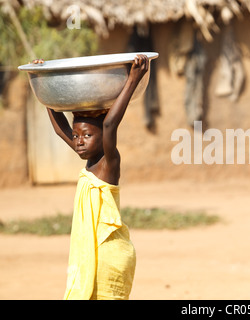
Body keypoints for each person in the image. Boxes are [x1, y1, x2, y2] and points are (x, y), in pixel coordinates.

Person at [43, 54, 149, 299]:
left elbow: (111, 124)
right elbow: (61, 131)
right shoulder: (91, 161)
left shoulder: (108, 164)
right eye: (77, 136)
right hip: (97, 253)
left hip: (108, 255)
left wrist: (133, 78)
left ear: (103, 137)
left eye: (86, 136)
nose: (79, 142)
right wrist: (45, 88)